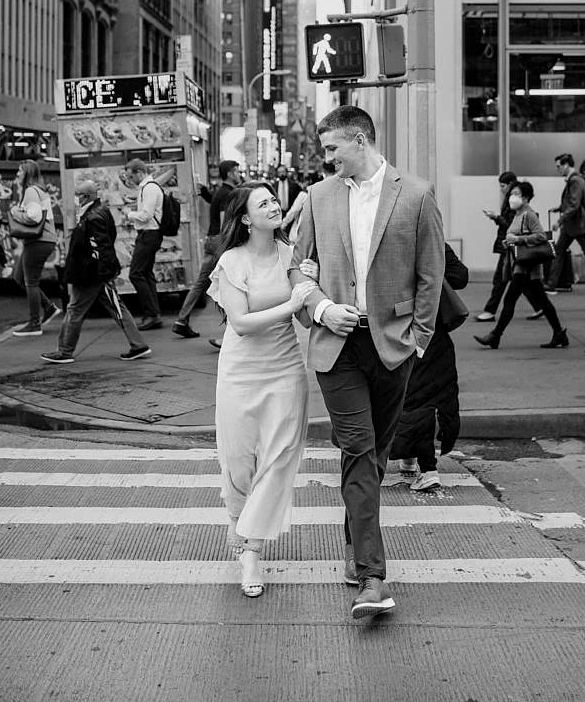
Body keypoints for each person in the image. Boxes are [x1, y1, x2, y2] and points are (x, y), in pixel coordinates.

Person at [289, 105, 445, 619]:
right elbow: (298, 268)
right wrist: (321, 307)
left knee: (374, 457)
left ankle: (358, 544)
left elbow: (430, 275)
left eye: (332, 148)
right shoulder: (317, 196)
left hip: (394, 345)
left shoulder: (416, 194)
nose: (325, 156)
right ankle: (373, 577)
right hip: (338, 348)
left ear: (360, 140)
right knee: (358, 450)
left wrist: (419, 339)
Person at [207, 183, 316, 598]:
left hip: (286, 369)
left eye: (274, 199)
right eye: (263, 203)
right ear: (246, 219)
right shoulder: (232, 261)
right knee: (239, 464)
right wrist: (292, 304)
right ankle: (239, 526)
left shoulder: (292, 256)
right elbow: (240, 323)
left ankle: (249, 550)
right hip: (240, 371)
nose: (274, 205)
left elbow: (305, 323)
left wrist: (310, 290)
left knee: (279, 459)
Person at [41, 179, 151, 364]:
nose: (76, 200)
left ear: (85, 197)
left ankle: (65, 351)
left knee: (75, 309)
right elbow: (108, 241)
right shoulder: (100, 212)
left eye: (78, 196)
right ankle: (138, 344)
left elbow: (101, 247)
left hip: (91, 274)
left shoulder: (92, 217)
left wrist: (103, 272)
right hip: (98, 273)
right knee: (117, 308)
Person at [390, 242, 468, 491]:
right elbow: (460, 276)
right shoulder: (434, 243)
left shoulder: (389, 240)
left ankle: (427, 468)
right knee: (425, 395)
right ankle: (412, 460)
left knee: (411, 397)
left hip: (398, 329)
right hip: (434, 330)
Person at [474, 181, 568, 351]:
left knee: (510, 300)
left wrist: (518, 240)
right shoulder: (517, 215)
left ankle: (495, 336)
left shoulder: (529, 215)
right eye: (511, 194)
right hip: (522, 266)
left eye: (516, 194)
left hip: (527, 267)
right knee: (543, 302)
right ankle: (559, 333)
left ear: (525, 198)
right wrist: (509, 242)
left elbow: (540, 236)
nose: (512, 197)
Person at [172, 160, 242, 339]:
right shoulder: (229, 193)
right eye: (236, 171)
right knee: (229, 284)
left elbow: (215, 205)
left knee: (202, 283)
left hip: (212, 240)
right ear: (229, 173)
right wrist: (229, 244)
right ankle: (230, 332)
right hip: (219, 241)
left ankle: (181, 320)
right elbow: (225, 220)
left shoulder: (221, 191)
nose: (239, 174)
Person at [475, 171, 544, 323]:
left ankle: (490, 311)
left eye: (503, 186)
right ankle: (540, 307)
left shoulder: (523, 211)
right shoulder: (515, 206)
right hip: (511, 246)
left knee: (502, 279)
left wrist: (497, 219)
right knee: (521, 281)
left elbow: (518, 228)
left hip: (512, 247)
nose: (503, 190)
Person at [544, 153, 585, 295]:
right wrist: (560, 208)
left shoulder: (575, 181)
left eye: (559, 166)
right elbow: (573, 203)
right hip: (574, 225)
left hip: (576, 225)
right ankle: (551, 283)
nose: (558, 169)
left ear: (566, 165)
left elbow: (574, 204)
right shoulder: (576, 180)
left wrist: (559, 221)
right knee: (564, 252)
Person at [11, 161, 61, 337]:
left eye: (20, 171)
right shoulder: (38, 190)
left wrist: (15, 212)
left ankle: (34, 324)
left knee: (30, 282)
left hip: (39, 241)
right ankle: (48, 307)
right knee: (19, 276)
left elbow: (33, 216)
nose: (17, 173)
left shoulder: (31, 191)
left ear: (27, 174)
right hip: (41, 241)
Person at [124, 159, 165, 331]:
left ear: (139, 172)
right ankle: (154, 313)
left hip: (149, 234)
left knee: (136, 273)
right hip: (149, 234)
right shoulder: (148, 188)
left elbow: (146, 215)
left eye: (130, 175)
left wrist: (129, 214)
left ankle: (151, 313)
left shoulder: (149, 188)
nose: (129, 179)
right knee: (146, 273)